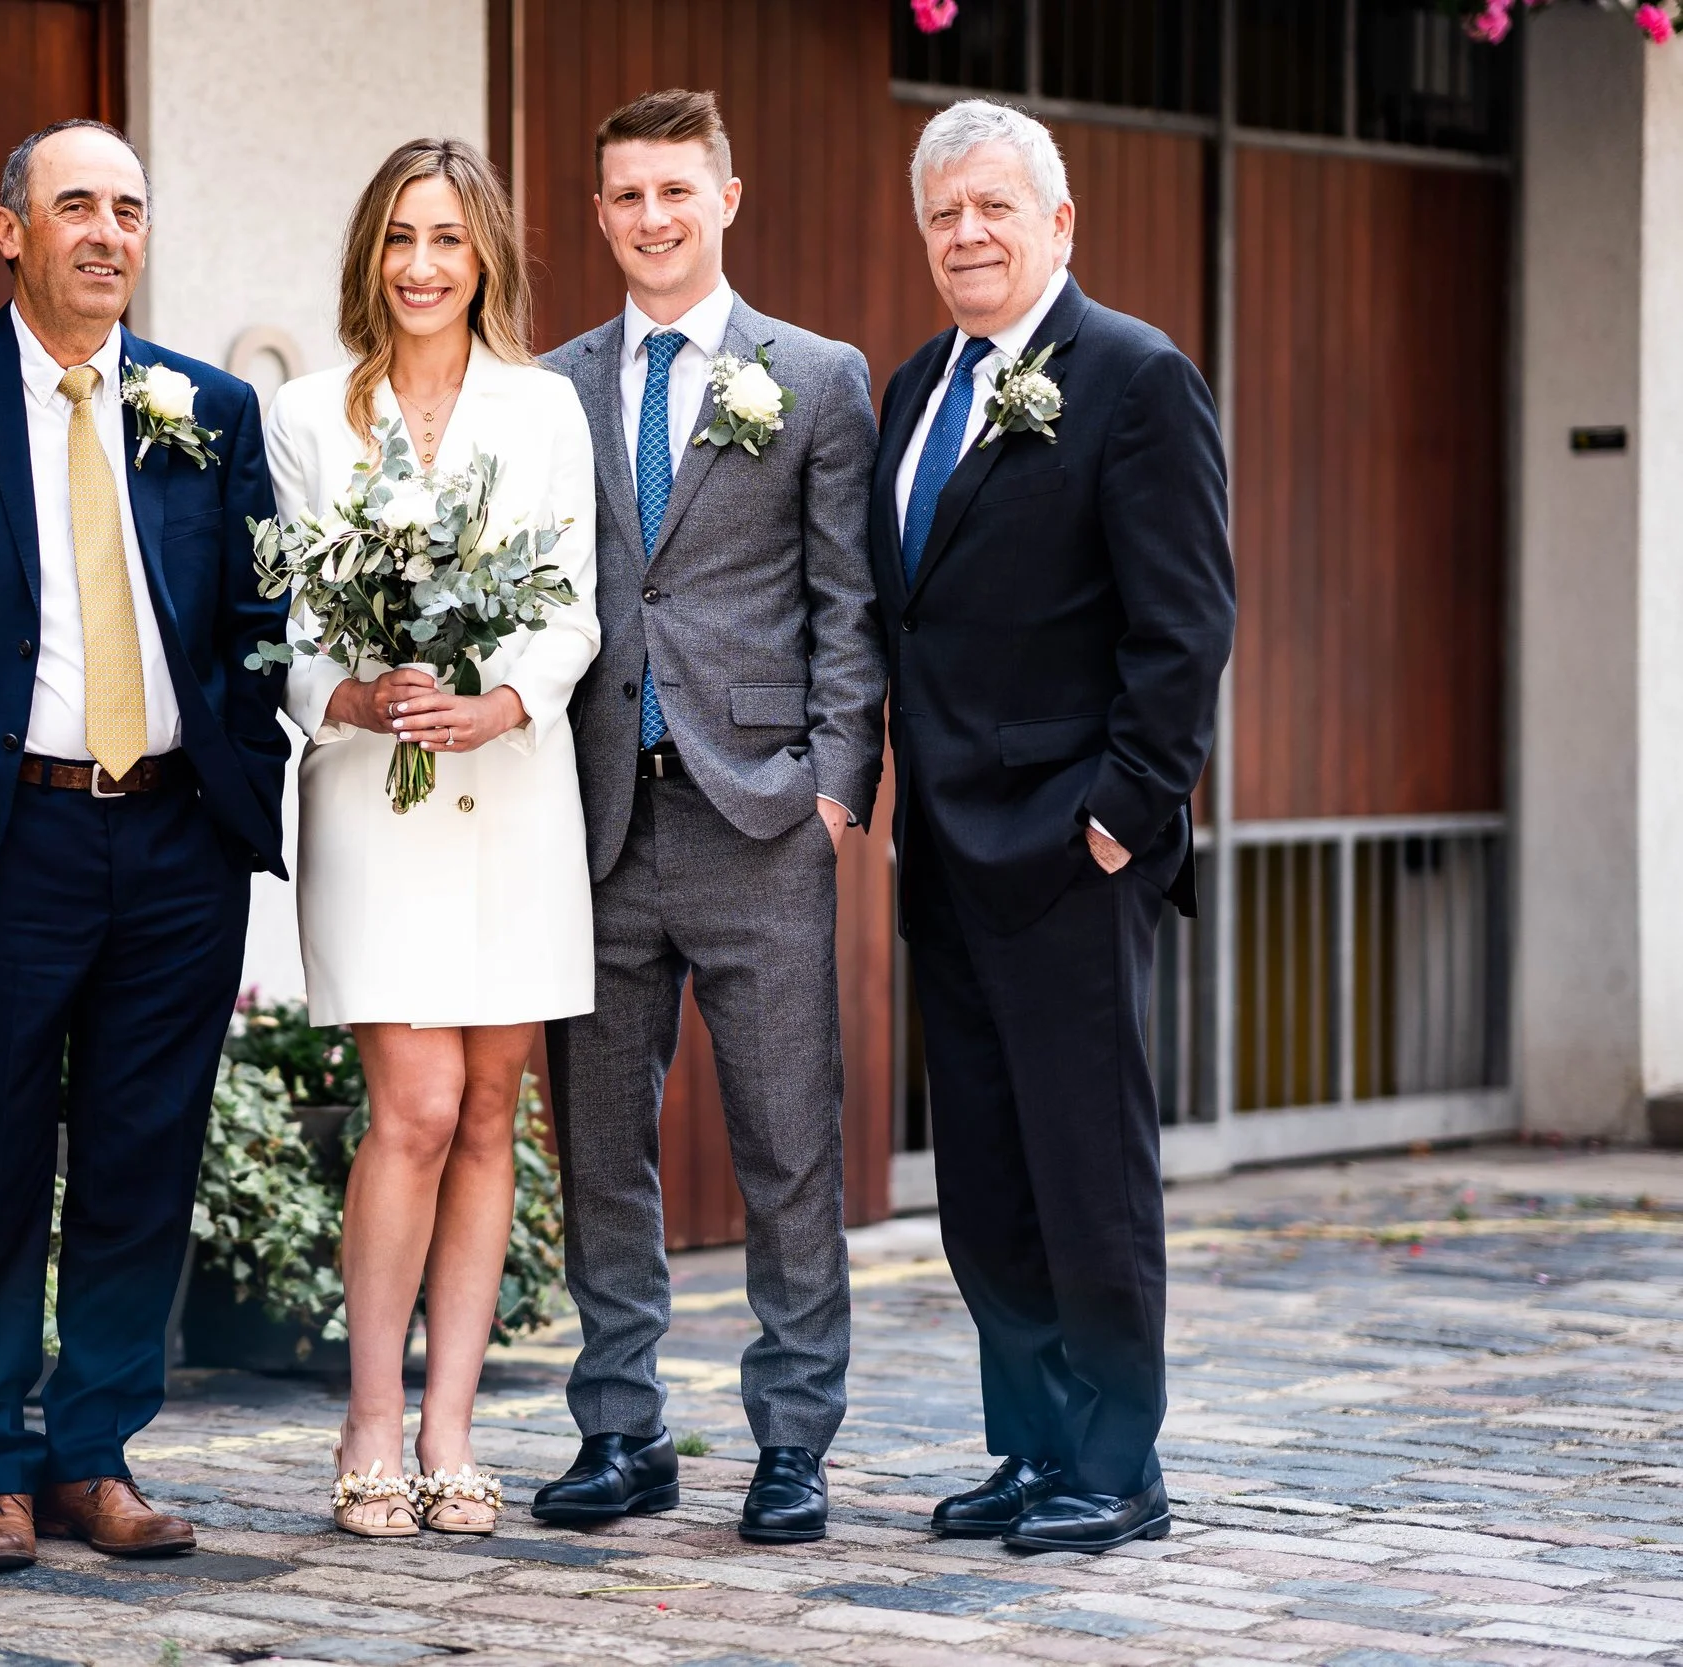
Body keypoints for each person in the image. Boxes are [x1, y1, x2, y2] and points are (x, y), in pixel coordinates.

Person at [0, 119, 289, 1573]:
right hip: (6, 837)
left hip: (177, 839)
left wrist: (244, 773)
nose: (108, 232)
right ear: (12, 230)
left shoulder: (210, 407)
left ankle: (93, 1456)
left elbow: (257, 615)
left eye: (128, 208)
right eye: (76, 205)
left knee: (142, 1160)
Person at [875, 100, 1234, 1553]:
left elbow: (1184, 626)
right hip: (948, 852)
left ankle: (1118, 1463)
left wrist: (1121, 816)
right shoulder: (917, 385)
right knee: (987, 1178)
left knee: (1089, 1173)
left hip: (1072, 852)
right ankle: (1030, 1446)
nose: (966, 235)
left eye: (994, 208)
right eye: (944, 214)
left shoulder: (1137, 377)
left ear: (1058, 223)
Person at [535, 89, 886, 1545]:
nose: (652, 217)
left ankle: (794, 1439)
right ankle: (621, 1430)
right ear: (601, 213)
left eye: (676, 189)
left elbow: (847, 599)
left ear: (725, 199)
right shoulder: (548, 387)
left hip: (760, 820)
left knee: (789, 1145)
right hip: (595, 821)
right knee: (599, 1146)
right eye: (627, 195)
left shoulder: (815, 376)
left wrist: (835, 786)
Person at [265, 138, 600, 1538]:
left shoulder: (546, 406)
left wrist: (505, 700)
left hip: (513, 788)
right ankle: (369, 1420)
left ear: (486, 258)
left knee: (489, 1112)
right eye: (401, 236)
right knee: (412, 1104)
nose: (422, 265)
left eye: (448, 239)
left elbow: (572, 601)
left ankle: (451, 1429)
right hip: (372, 791)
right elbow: (288, 619)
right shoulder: (305, 414)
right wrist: (347, 696)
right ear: (370, 253)